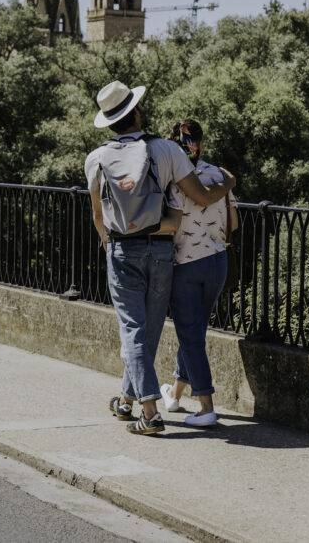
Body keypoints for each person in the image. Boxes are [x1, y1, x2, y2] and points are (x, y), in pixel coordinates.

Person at [85, 81, 235, 435]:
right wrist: (228, 184)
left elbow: (96, 213)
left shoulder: (97, 158)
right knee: (147, 329)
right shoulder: (166, 150)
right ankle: (126, 399)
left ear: (109, 121)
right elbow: (198, 194)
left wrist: (111, 245)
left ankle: (148, 410)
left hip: (123, 247)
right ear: (136, 112)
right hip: (164, 251)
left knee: (134, 329)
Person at [159, 119, 239, 427]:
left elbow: (173, 224)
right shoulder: (219, 175)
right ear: (200, 144)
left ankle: (206, 407)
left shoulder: (172, 178)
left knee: (190, 336)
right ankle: (176, 393)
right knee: (195, 332)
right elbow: (233, 225)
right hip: (217, 262)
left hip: (187, 264)